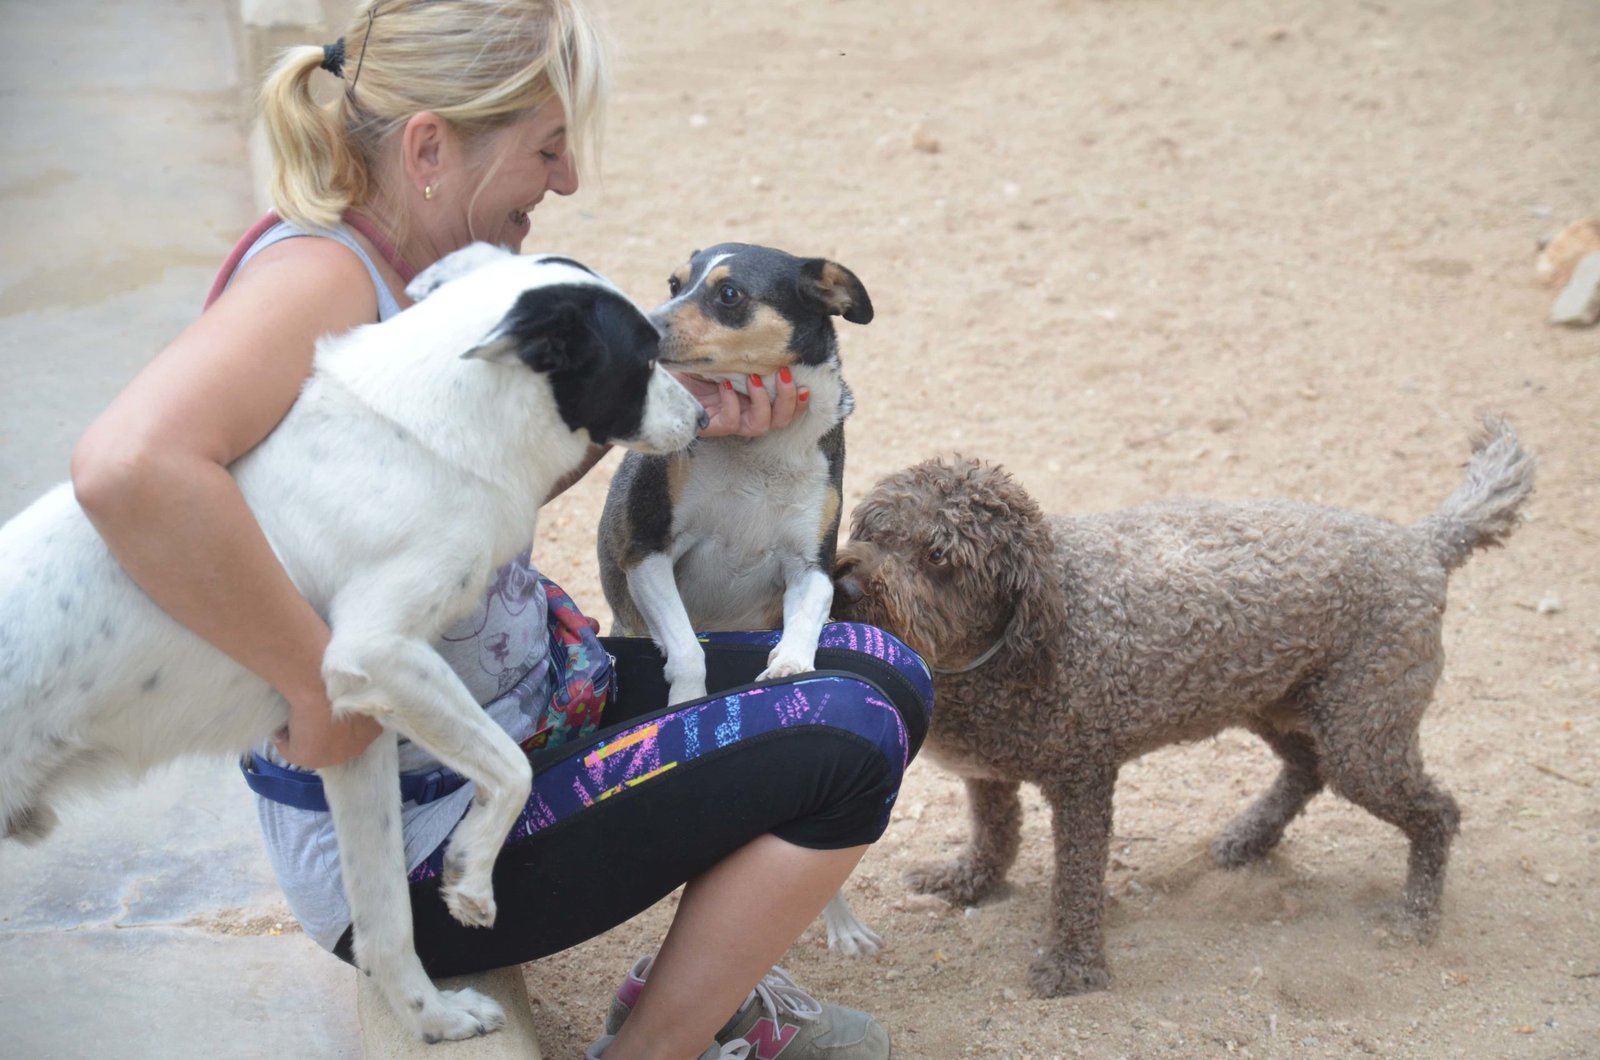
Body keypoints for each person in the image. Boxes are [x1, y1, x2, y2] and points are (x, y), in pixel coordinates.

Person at [68, 2, 931, 1057]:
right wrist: (316, 683)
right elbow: (130, 467)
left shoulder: (435, 271)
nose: (565, 181)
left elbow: (472, 492)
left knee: (882, 670)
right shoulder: (320, 279)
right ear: (431, 148)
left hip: (531, 707)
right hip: (421, 838)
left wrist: (667, 422)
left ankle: (702, 1001)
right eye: (547, 148)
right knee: (849, 737)